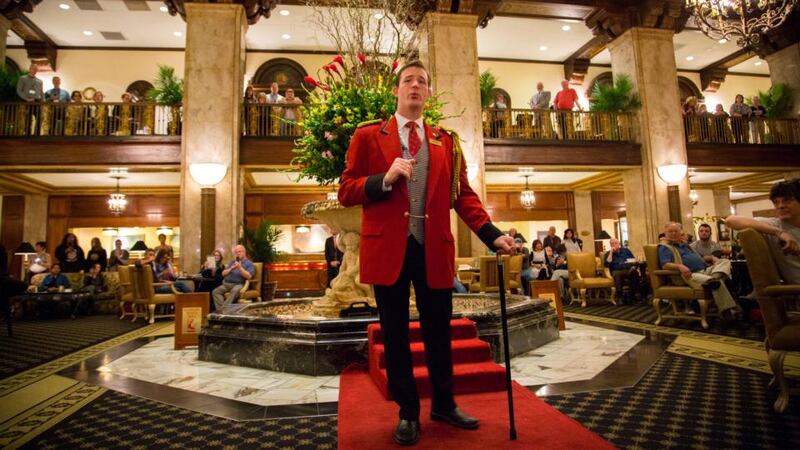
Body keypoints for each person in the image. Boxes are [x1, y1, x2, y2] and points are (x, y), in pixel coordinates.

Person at [339, 60, 514, 445]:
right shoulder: (368, 136)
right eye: (408, 81)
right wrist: (381, 180)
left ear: (428, 93)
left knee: (439, 332)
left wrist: (491, 234)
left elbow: (463, 196)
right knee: (396, 335)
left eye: (422, 81)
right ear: (397, 91)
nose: (415, 86)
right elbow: (346, 189)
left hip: (433, 248)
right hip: (388, 251)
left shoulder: (445, 141)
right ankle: (407, 412)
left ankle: (444, 403)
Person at [658, 222, 741, 320]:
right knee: (718, 283)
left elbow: (700, 257)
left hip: (705, 270)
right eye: (670, 231)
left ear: (680, 232)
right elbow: (665, 265)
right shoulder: (665, 247)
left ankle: (713, 279)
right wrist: (680, 266)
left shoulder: (684, 245)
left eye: (676, 231)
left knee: (725, 261)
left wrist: (712, 262)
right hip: (690, 275)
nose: (673, 233)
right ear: (665, 233)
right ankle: (726, 311)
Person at [726, 178, 800, 284]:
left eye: (787, 200)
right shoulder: (773, 225)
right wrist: (779, 232)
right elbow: (731, 221)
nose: (780, 206)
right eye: (776, 202)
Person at [212, 245, 255, 312]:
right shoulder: (232, 262)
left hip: (239, 284)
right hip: (227, 284)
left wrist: (240, 268)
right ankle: (222, 311)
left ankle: (223, 311)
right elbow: (223, 274)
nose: (238, 253)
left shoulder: (249, 263)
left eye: (239, 252)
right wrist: (231, 269)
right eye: (236, 252)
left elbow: (249, 276)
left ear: (244, 252)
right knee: (216, 291)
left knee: (234, 290)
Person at [604, 238, 638, 304]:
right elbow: (607, 264)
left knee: (635, 273)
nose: (614, 245)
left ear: (619, 244)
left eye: (615, 243)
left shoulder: (626, 251)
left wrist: (633, 266)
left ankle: (631, 296)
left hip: (628, 270)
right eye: (612, 244)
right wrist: (611, 252)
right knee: (617, 274)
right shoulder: (608, 254)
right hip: (616, 270)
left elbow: (633, 260)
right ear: (610, 245)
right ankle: (620, 297)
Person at [16, 63, 44, 135]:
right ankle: (27, 134)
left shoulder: (39, 81)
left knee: (39, 118)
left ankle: (37, 134)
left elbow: (41, 92)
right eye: (33, 69)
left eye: (36, 69)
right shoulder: (22, 78)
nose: (35, 70)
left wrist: (43, 102)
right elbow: (19, 90)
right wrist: (26, 98)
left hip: (37, 102)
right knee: (27, 119)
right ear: (30, 69)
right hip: (26, 101)